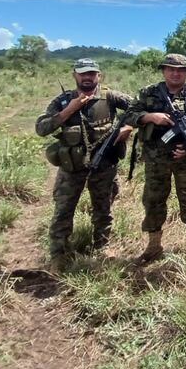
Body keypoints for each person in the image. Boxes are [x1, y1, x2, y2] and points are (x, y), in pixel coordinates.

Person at [36, 58, 132, 271]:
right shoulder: (63, 101)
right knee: (63, 211)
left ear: (99, 76)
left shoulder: (111, 97)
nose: (87, 77)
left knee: (104, 208)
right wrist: (68, 111)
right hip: (72, 168)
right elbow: (41, 128)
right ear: (75, 76)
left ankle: (101, 247)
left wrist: (127, 128)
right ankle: (58, 255)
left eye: (92, 73)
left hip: (104, 166)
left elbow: (140, 108)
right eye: (83, 73)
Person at [124, 53, 186, 262]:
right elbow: (128, 115)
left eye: (180, 70)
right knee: (154, 201)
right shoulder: (148, 93)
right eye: (171, 69)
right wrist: (149, 117)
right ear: (164, 70)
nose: (176, 73)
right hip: (156, 160)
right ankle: (154, 246)